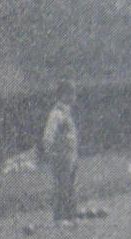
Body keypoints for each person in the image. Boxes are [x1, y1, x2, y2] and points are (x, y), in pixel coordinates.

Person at [42, 80, 80, 226]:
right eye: (72, 93)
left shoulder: (67, 112)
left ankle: (70, 215)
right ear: (64, 95)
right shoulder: (56, 113)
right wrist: (52, 154)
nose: (74, 96)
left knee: (70, 185)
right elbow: (48, 136)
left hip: (70, 156)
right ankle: (60, 217)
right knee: (61, 185)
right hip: (61, 156)